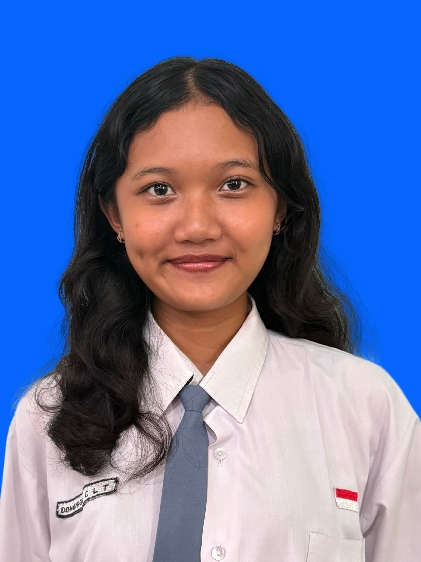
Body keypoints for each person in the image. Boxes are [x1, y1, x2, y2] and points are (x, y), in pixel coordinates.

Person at [0, 56, 420, 562]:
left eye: (234, 184)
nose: (197, 227)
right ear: (115, 215)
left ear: (280, 209)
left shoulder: (367, 407)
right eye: (159, 189)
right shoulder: (47, 418)